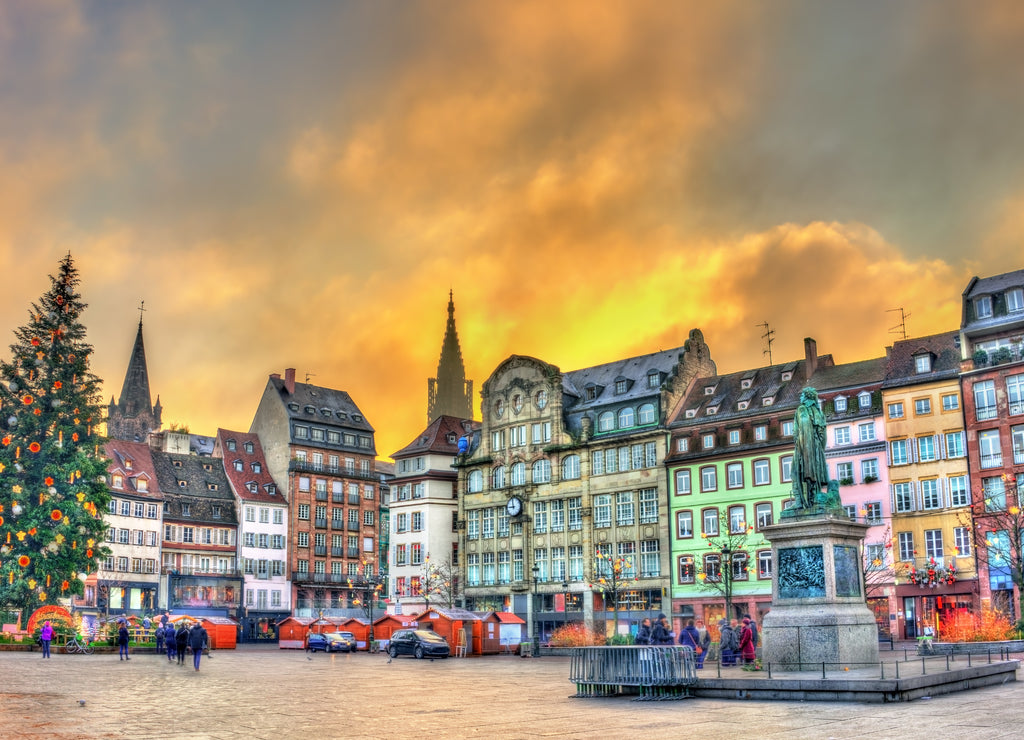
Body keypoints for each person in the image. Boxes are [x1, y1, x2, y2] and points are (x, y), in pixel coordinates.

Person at [791, 387, 832, 509]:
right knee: (815, 475)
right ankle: (813, 499)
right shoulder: (818, 412)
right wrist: (820, 448)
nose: (800, 397)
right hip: (816, 448)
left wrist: (802, 446)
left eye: (802, 395)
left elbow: (802, 429)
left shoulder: (802, 409)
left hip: (804, 447)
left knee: (795, 473)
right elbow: (823, 434)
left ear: (806, 396)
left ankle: (799, 502)